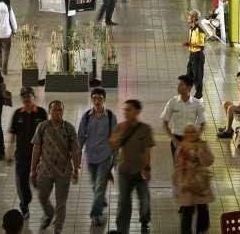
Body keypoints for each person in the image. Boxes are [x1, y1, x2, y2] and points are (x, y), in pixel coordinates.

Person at [30, 100, 81, 234]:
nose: (57, 112)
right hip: (45, 170)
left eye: (60, 110)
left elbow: (75, 150)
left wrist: (76, 169)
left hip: (63, 172)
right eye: (54, 109)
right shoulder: (42, 127)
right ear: (49, 111)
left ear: (63, 112)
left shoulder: (69, 128)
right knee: (42, 196)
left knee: (61, 202)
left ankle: (58, 228)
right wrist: (32, 170)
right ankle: (49, 212)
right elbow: (36, 148)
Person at [109, 99, 155, 234]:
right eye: (125, 110)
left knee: (144, 200)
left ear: (137, 111)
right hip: (124, 170)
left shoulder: (145, 129)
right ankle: (122, 229)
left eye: (129, 110)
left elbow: (147, 150)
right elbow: (113, 145)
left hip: (140, 171)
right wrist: (121, 133)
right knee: (123, 202)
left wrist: (147, 168)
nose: (126, 112)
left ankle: (144, 222)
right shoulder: (120, 127)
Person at [77, 87, 118, 227]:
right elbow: (81, 136)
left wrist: (115, 157)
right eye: (94, 98)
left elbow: (115, 138)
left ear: (104, 99)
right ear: (91, 100)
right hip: (90, 157)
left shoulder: (111, 117)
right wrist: (76, 156)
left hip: (105, 157)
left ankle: (96, 215)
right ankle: (101, 200)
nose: (97, 101)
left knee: (100, 186)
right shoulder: (86, 116)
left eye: (100, 98)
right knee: (95, 185)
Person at [6, 86, 48, 219]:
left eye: (28, 96)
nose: (26, 99)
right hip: (22, 155)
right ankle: (24, 204)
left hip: (38, 155)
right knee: (21, 181)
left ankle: (46, 207)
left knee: (41, 182)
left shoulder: (41, 113)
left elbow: (47, 133)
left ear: (33, 97)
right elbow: (12, 133)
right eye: (24, 97)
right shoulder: (18, 114)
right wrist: (9, 150)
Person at [173, 124, 214, 234]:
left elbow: (209, 161)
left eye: (193, 132)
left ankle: (202, 230)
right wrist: (176, 182)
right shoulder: (181, 147)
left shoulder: (202, 145)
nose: (190, 134)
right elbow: (177, 165)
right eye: (188, 132)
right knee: (186, 210)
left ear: (197, 133)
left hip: (200, 183)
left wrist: (200, 152)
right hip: (186, 183)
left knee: (202, 209)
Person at [161, 75, 206, 159]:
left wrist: (196, 137)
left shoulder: (197, 104)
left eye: (181, 84)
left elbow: (203, 124)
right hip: (177, 139)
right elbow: (165, 123)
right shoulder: (172, 102)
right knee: (178, 166)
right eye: (178, 84)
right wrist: (174, 140)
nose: (178, 87)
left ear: (189, 87)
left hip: (191, 140)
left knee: (191, 165)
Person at [184, 10, 206, 100]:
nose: (188, 18)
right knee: (189, 75)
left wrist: (190, 44)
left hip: (198, 55)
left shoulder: (200, 31)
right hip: (192, 54)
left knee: (197, 76)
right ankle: (186, 91)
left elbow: (201, 46)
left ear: (193, 18)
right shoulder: (191, 29)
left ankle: (198, 94)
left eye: (189, 16)